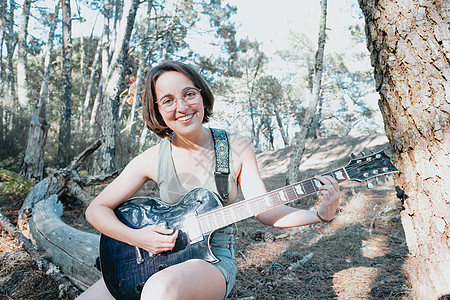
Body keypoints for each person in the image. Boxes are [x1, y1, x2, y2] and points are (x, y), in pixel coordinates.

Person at [76, 61, 341, 300]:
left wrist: (319, 215)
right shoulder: (150, 159)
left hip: (210, 262)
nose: (181, 107)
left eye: (189, 94)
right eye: (167, 100)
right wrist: (138, 238)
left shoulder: (235, 147)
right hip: (153, 261)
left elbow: (267, 210)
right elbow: (95, 210)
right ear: (157, 110)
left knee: (160, 290)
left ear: (202, 95)